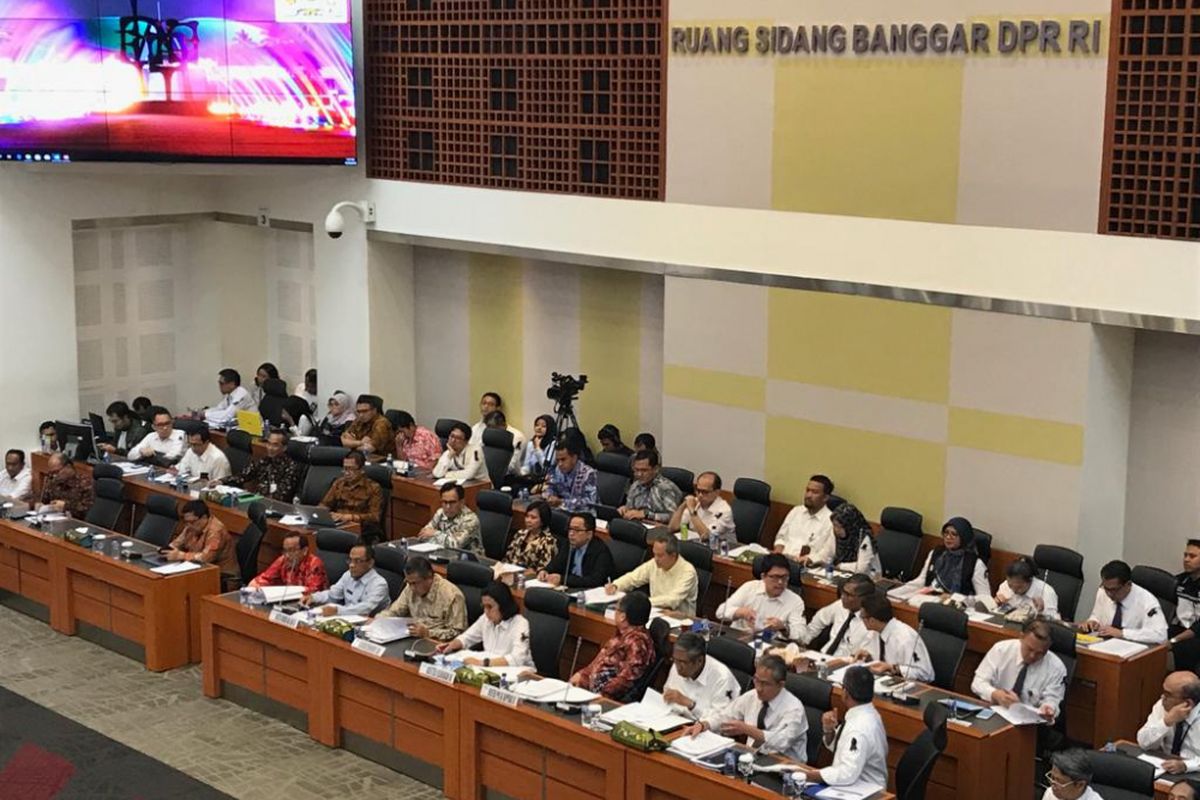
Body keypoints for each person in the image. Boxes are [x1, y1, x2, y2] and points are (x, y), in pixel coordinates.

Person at [684, 655, 808, 762]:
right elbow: (726, 715)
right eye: (756, 680)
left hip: (786, 767)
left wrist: (746, 729)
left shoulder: (794, 709)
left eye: (765, 683)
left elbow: (781, 742)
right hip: (752, 759)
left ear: (780, 685)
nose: (758, 688)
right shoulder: (753, 696)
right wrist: (704, 724)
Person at [799, 666, 888, 789]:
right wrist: (829, 731)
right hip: (854, 785)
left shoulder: (859, 727)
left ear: (845, 693)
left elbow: (847, 773)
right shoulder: (866, 713)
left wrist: (811, 775)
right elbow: (845, 749)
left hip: (864, 790)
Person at [971, 619, 1067, 722]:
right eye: (1029, 649)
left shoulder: (1056, 667)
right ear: (1021, 637)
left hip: (1030, 723)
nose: (1032, 656)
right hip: (995, 713)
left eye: (1040, 653)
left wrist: (1048, 708)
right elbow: (977, 683)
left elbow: (1052, 699)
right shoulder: (1001, 650)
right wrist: (995, 694)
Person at [570, 592, 656, 699]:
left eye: (616, 609)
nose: (614, 612)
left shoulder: (637, 643)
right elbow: (600, 661)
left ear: (622, 617)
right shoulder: (622, 634)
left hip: (604, 698)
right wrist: (582, 675)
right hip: (590, 690)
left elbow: (626, 680)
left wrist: (601, 696)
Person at [437, 581, 532, 668]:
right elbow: (467, 638)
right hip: (490, 669)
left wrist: (483, 663)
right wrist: (451, 645)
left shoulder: (520, 624)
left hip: (516, 673)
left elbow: (517, 659)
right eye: (484, 606)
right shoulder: (485, 619)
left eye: (490, 607)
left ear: (504, 605)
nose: (486, 612)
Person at [716, 553, 806, 640]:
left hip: (768, 645)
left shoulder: (795, 601)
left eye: (784, 577)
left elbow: (801, 634)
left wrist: (783, 628)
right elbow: (720, 613)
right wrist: (740, 612)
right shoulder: (750, 587)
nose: (780, 582)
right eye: (775, 577)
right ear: (763, 576)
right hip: (739, 638)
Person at [608, 531, 699, 616]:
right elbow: (633, 577)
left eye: (660, 555)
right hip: (655, 612)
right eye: (654, 554)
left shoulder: (688, 572)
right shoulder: (654, 563)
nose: (655, 559)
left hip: (680, 619)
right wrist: (616, 585)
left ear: (673, 555)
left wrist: (642, 603)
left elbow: (672, 600)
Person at [377, 555, 467, 640]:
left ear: (429, 577)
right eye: (408, 583)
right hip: (412, 638)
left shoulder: (451, 595)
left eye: (415, 583)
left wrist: (428, 633)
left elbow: (457, 633)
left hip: (437, 643)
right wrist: (377, 621)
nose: (411, 588)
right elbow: (394, 611)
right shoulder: (410, 587)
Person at [1080, 559, 1169, 644]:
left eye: (1114, 590)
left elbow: (1160, 635)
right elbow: (1096, 616)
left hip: (1132, 651)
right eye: (1106, 588)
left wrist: (1122, 633)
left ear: (1128, 584)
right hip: (1103, 646)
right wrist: (1092, 622)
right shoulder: (1102, 591)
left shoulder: (1147, 601)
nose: (1109, 594)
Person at [854, 591, 935, 682]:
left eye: (862, 617)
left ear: (872, 620)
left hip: (906, 687)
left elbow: (926, 674)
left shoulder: (905, 638)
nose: (861, 620)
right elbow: (880, 662)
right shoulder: (876, 632)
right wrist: (869, 658)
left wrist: (892, 668)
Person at [903, 517, 990, 598]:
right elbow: (922, 580)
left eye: (954, 534)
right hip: (929, 597)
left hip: (956, 607)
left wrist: (955, 598)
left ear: (964, 537)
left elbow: (984, 598)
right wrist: (896, 592)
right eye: (946, 533)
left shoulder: (975, 564)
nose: (948, 537)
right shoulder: (936, 553)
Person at [662, 632, 739, 720]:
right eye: (675, 660)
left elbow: (722, 720)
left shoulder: (722, 678)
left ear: (699, 661)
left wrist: (690, 704)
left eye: (682, 662)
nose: (678, 667)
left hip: (706, 730)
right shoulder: (678, 663)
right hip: (676, 720)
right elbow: (667, 692)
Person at [796, 573, 875, 659]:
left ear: (864, 598)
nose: (842, 597)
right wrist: (805, 640)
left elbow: (861, 658)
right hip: (822, 657)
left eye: (849, 595)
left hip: (844, 665)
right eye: (843, 592)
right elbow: (820, 618)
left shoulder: (871, 623)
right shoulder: (840, 605)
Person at [1137, 671, 1200, 774]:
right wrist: (1166, 722)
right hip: (1164, 766)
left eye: (1168, 695)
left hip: (1195, 773)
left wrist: (1186, 766)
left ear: (1187, 703)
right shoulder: (1163, 706)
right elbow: (1143, 743)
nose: (1162, 697)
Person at [304, 544, 390, 617]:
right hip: (347, 620)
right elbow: (332, 594)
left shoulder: (379, 584)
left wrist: (338, 610)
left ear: (370, 563)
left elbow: (365, 609)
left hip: (372, 626)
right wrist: (314, 597)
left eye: (357, 561)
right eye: (350, 560)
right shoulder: (348, 575)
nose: (351, 565)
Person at [221, 428, 304, 502]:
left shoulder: (291, 466)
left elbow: (281, 496)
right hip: (257, 500)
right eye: (268, 443)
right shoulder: (264, 461)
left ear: (285, 447)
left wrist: (252, 497)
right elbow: (244, 475)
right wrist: (221, 481)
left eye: (275, 445)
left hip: (276, 507)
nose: (270, 448)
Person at [539, 512, 614, 589]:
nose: (571, 533)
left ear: (589, 534)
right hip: (569, 588)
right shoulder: (569, 543)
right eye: (570, 529)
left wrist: (563, 579)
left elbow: (595, 580)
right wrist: (545, 571)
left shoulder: (601, 551)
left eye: (577, 530)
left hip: (588, 591)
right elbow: (557, 563)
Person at [166, 500, 237, 581]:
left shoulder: (216, 531)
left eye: (192, 522)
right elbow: (177, 542)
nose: (188, 525)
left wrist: (181, 555)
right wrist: (167, 550)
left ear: (204, 517)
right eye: (186, 522)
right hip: (198, 570)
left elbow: (206, 558)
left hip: (220, 576)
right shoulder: (191, 526)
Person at [773, 475, 835, 564]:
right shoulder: (796, 511)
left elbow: (827, 554)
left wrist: (808, 559)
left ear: (825, 497)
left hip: (807, 566)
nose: (808, 495)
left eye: (815, 492)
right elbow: (781, 537)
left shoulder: (830, 520)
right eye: (807, 490)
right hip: (781, 561)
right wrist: (778, 551)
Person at [669, 471, 735, 546]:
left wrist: (692, 511)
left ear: (717, 492)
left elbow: (706, 537)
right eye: (698, 490)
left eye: (705, 492)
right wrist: (683, 506)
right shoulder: (696, 503)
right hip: (696, 545)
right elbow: (672, 528)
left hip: (721, 549)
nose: (700, 495)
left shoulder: (724, 510)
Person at [248, 532, 329, 594]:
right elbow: (264, 579)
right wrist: (253, 586)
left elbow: (313, 592)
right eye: (285, 550)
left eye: (292, 550)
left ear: (304, 550)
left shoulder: (314, 564)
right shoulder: (283, 560)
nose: (287, 555)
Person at [619, 450, 682, 523]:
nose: (639, 474)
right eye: (636, 470)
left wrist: (647, 515)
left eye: (644, 470)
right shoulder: (635, 485)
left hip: (660, 528)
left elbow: (674, 517)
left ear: (655, 469)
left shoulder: (665, 487)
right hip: (637, 524)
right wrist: (625, 510)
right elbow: (630, 508)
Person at [320, 451, 383, 525]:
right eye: (345, 469)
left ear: (362, 470)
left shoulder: (373, 488)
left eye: (351, 469)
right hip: (339, 524)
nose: (346, 473)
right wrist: (319, 513)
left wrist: (348, 517)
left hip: (360, 527)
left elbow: (375, 517)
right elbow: (325, 504)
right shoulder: (339, 483)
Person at [418, 484, 483, 554]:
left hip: (469, 561)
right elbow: (423, 535)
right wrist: (440, 538)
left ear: (462, 502)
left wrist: (435, 534)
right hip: (444, 554)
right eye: (444, 502)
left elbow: (456, 545)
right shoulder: (440, 513)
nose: (448, 507)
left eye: (452, 502)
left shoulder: (470, 519)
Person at [995, 556, 1061, 620]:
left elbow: (1054, 623)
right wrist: (996, 603)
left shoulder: (1046, 591)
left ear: (1030, 580)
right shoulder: (1005, 585)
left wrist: (1042, 611)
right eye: (1010, 586)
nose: (1014, 591)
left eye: (1019, 587)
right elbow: (996, 611)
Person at [502, 500, 558, 573]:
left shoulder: (548, 541)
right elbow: (508, 558)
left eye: (533, 518)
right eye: (527, 516)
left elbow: (543, 570)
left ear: (543, 521)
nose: (528, 520)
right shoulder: (520, 533)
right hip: (510, 573)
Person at [543, 438, 597, 511]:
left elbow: (590, 502)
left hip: (583, 514)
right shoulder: (557, 470)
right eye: (557, 460)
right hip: (562, 511)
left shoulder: (588, 474)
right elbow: (550, 487)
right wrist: (550, 496)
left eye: (563, 459)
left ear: (574, 458)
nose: (560, 464)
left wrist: (562, 502)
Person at [828, 503, 882, 577]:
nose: (836, 530)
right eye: (834, 525)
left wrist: (841, 566)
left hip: (868, 578)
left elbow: (861, 568)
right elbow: (828, 554)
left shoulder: (864, 537)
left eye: (840, 527)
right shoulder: (837, 534)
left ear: (849, 525)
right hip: (843, 574)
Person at [1172, 540, 1200, 673]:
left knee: (1184, 648)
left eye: (1192, 556)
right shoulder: (1181, 580)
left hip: (1197, 633)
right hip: (1181, 627)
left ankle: (1183, 688)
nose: (1186, 560)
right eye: (1185, 555)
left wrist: (1174, 640)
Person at [37, 454, 93, 518]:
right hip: (54, 519)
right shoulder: (53, 480)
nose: (54, 475)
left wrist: (66, 506)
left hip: (77, 522)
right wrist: (39, 505)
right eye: (52, 473)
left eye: (57, 472)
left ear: (68, 467)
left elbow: (88, 510)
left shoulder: (85, 483)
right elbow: (44, 501)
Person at [482, 410, 526, 475]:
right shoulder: (489, 433)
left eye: (493, 428)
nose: (490, 431)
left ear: (503, 425)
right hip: (488, 473)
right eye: (488, 428)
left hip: (508, 476)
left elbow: (512, 466)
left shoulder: (517, 437)